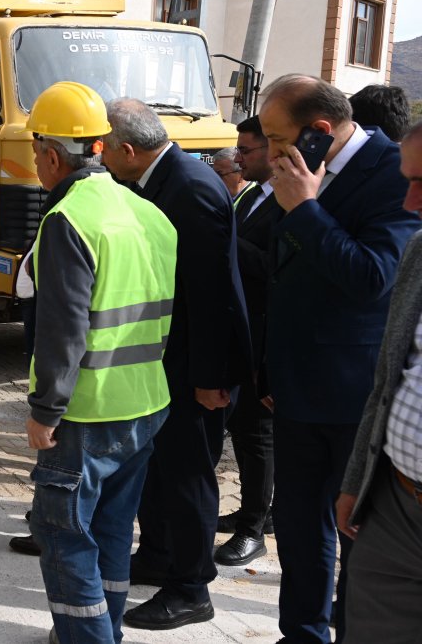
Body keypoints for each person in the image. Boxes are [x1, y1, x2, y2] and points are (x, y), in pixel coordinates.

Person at [259, 74, 417, 642]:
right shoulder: (298, 171)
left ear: (318, 131)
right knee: (299, 528)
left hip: (355, 393)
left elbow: (374, 279)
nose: (273, 151)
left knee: (353, 532)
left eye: (278, 139)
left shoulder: (394, 170)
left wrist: (305, 208)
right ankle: (301, 632)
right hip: (297, 386)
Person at [23, 82, 176, 643]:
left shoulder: (68, 218)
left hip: (85, 414)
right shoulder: (148, 212)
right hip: (146, 405)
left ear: (52, 154)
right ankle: (103, 629)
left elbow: (64, 329)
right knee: (112, 532)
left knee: (63, 536)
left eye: (35, 151)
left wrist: (45, 410)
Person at [101, 99, 250, 630]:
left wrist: (211, 380)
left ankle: (191, 588)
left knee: (188, 476)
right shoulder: (160, 179)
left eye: (106, 147)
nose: (101, 158)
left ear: (128, 149)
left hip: (195, 368)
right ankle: (160, 555)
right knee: (159, 469)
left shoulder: (188, 187)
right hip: (167, 362)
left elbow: (213, 295)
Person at [337, 121, 422, 643]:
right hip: (397, 504)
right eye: (408, 180)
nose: (411, 203)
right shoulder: (418, 253)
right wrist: (355, 482)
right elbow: (387, 379)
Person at [216, 116, 284, 567]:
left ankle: (254, 528)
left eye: (247, 150)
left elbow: (276, 268)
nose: (239, 158)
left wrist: (226, 238)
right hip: (239, 336)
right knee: (242, 432)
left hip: (267, 342)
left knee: (258, 437)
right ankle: (252, 509)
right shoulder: (249, 198)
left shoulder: (288, 200)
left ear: (273, 150)